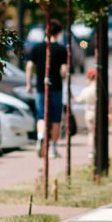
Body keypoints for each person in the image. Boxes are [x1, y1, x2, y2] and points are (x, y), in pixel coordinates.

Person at [24, 20, 69, 157]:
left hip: (40, 87)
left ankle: (40, 136)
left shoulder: (37, 48)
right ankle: (53, 147)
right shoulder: (61, 50)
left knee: (41, 116)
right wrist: (63, 77)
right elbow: (63, 70)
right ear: (59, 33)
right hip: (56, 87)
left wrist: (29, 83)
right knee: (55, 118)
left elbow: (29, 66)